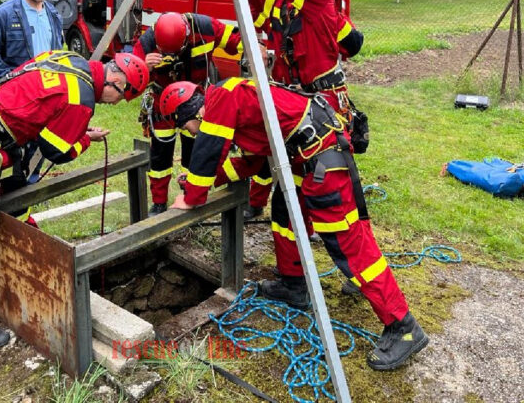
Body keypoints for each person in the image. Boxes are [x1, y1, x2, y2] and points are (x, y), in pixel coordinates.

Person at [160, 79, 428, 371]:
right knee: (285, 212)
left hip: (324, 162)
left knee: (350, 246)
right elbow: (251, 164)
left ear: (193, 114)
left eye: (187, 128)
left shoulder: (221, 100)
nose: (191, 133)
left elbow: (209, 151)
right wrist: (205, 181)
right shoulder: (236, 100)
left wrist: (191, 196)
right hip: (309, 159)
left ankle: (403, 326)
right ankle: (294, 285)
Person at [0, 51, 149, 349]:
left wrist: (76, 129)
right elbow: (57, 151)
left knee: (16, 200)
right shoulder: (83, 98)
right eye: (121, 97)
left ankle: (33, 254)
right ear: (116, 80)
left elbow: (39, 99)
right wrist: (85, 139)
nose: (115, 104)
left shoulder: (70, 60)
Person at [203, 0, 365, 222]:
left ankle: (323, 227)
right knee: (274, 167)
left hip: (322, 107)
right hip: (292, 102)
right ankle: (278, 232)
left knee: (308, 185)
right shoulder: (279, 5)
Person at [132, 11, 241, 216]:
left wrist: (256, 51)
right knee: (160, 156)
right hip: (162, 104)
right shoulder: (147, 42)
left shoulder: (206, 28)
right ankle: (158, 203)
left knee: (195, 150)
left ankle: (190, 195)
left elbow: (237, 40)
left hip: (195, 103)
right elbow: (132, 81)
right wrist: (144, 66)